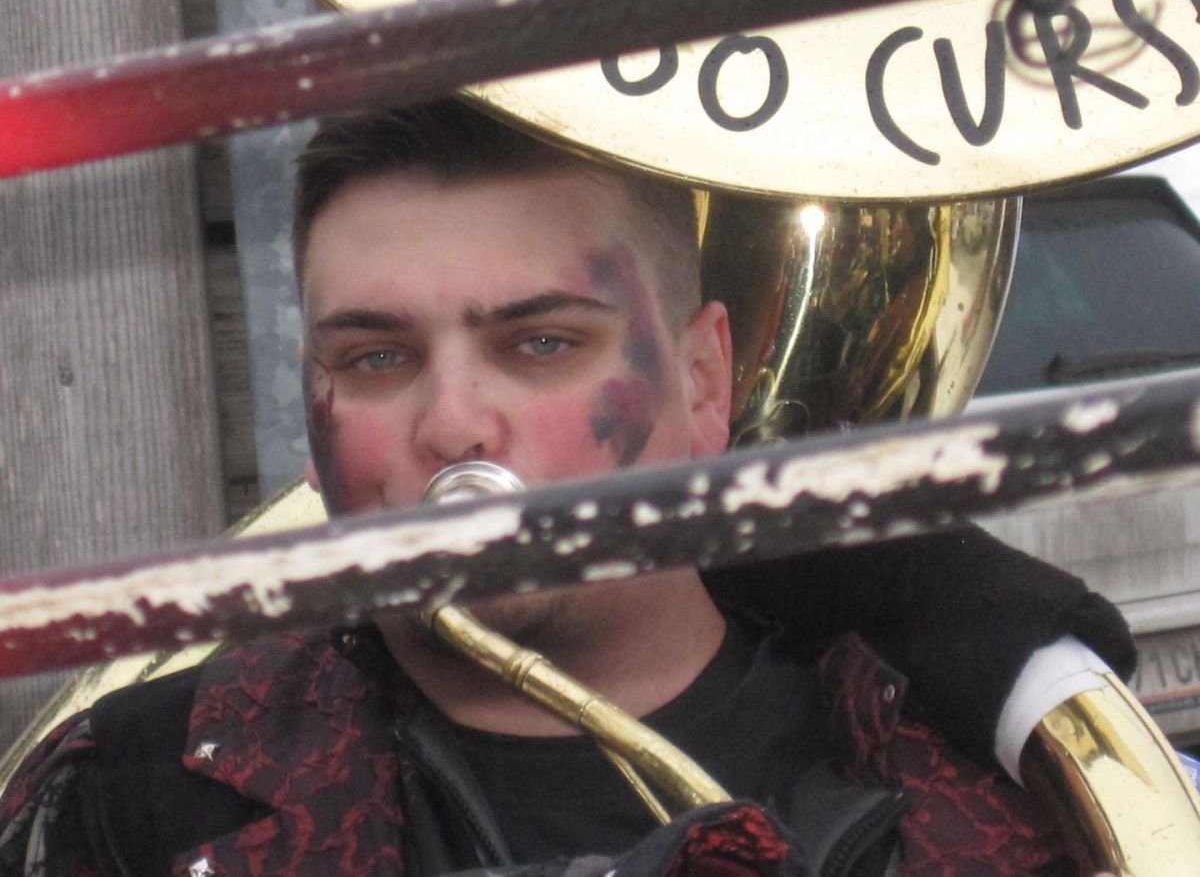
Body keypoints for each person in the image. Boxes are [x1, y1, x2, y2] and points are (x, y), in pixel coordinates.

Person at [0, 101, 1134, 877]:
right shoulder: (135, 799)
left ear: (704, 380)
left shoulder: (986, 794)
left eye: (540, 343)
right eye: (377, 358)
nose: (453, 423)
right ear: (312, 411)